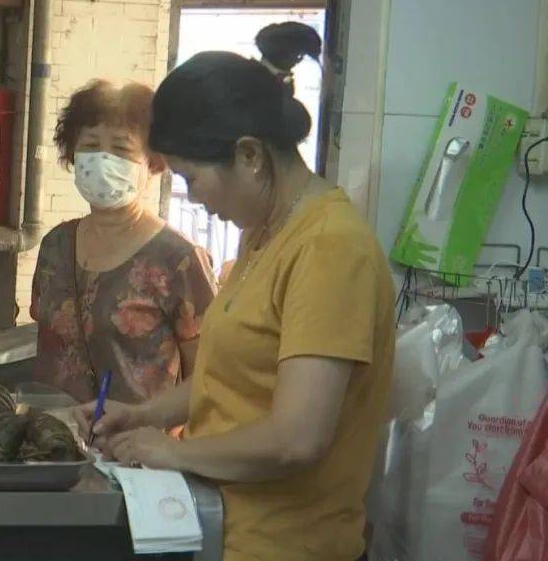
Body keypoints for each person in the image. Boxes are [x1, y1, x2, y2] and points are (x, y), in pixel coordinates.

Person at [74, 34, 396, 560]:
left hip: (287, 545)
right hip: (224, 530)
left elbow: (298, 439)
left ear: (249, 155)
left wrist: (176, 453)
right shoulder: (265, 231)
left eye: (192, 178)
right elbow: (229, 379)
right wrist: (143, 415)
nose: (195, 199)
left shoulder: (330, 248)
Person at [30, 79, 217, 404]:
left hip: (139, 447)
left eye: (120, 149)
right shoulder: (55, 246)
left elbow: (209, 378)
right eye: (89, 146)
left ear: (154, 162)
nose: (101, 161)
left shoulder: (178, 259)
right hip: (54, 445)